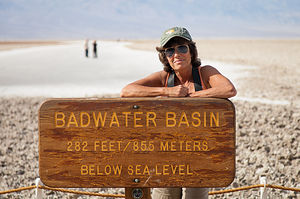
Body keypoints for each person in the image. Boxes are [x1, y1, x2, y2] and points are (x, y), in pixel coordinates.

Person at [120, 27, 237, 199]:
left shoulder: (204, 73)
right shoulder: (164, 78)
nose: (176, 54)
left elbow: (228, 89)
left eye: (182, 48)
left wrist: (192, 97)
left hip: (199, 154)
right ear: (165, 56)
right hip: (168, 155)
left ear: (191, 51)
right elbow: (127, 91)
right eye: (170, 51)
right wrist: (167, 92)